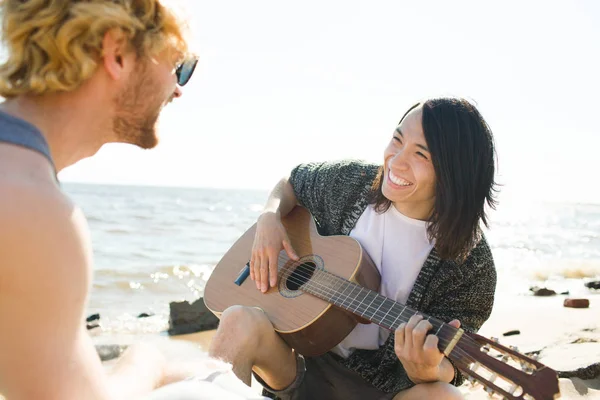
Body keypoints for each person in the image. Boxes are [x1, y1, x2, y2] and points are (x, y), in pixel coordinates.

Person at [0, 1, 247, 399]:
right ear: (117, 54)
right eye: (179, 65)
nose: (179, 89)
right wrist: (148, 362)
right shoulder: (37, 211)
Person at [208, 97, 499, 400]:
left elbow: (455, 364)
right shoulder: (354, 184)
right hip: (299, 367)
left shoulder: (471, 264)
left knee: (444, 396)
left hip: (382, 393)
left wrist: (428, 370)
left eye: (420, 155)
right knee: (237, 319)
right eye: (397, 140)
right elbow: (292, 182)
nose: (396, 161)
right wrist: (269, 216)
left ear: (454, 172)